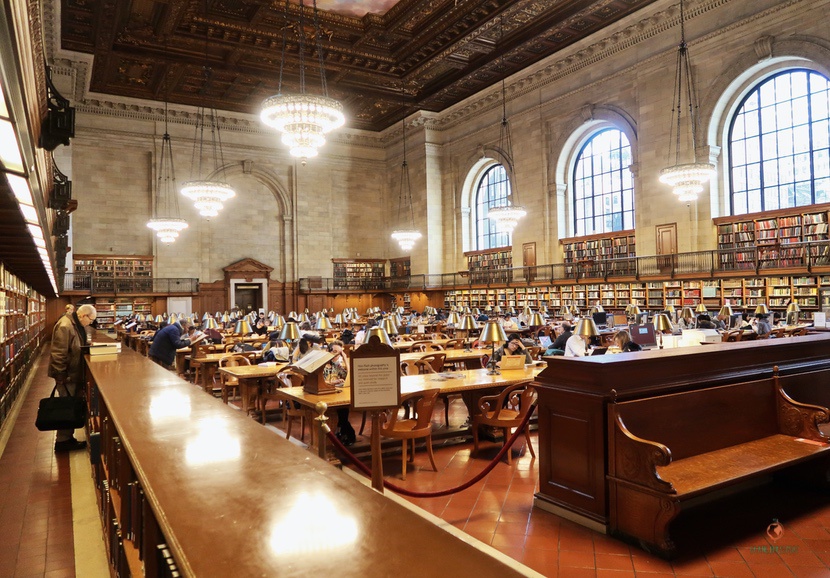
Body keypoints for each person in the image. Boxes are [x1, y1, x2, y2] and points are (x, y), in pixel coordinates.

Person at [49, 304, 97, 452]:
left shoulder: (75, 324)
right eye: (91, 319)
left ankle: (67, 438)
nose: (91, 323)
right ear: (83, 315)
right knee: (66, 407)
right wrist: (60, 374)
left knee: (70, 405)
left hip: (73, 373)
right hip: (67, 375)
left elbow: (75, 345)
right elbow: (58, 352)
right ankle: (63, 441)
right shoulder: (65, 325)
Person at [324, 340, 356, 445]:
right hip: (323, 395)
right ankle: (347, 433)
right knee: (342, 410)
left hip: (335, 394)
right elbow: (319, 381)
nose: (336, 355)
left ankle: (342, 432)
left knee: (343, 408)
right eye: (334, 351)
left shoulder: (336, 365)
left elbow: (350, 374)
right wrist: (332, 382)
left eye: (339, 353)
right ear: (328, 351)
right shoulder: (322, 365)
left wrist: (345, 358)